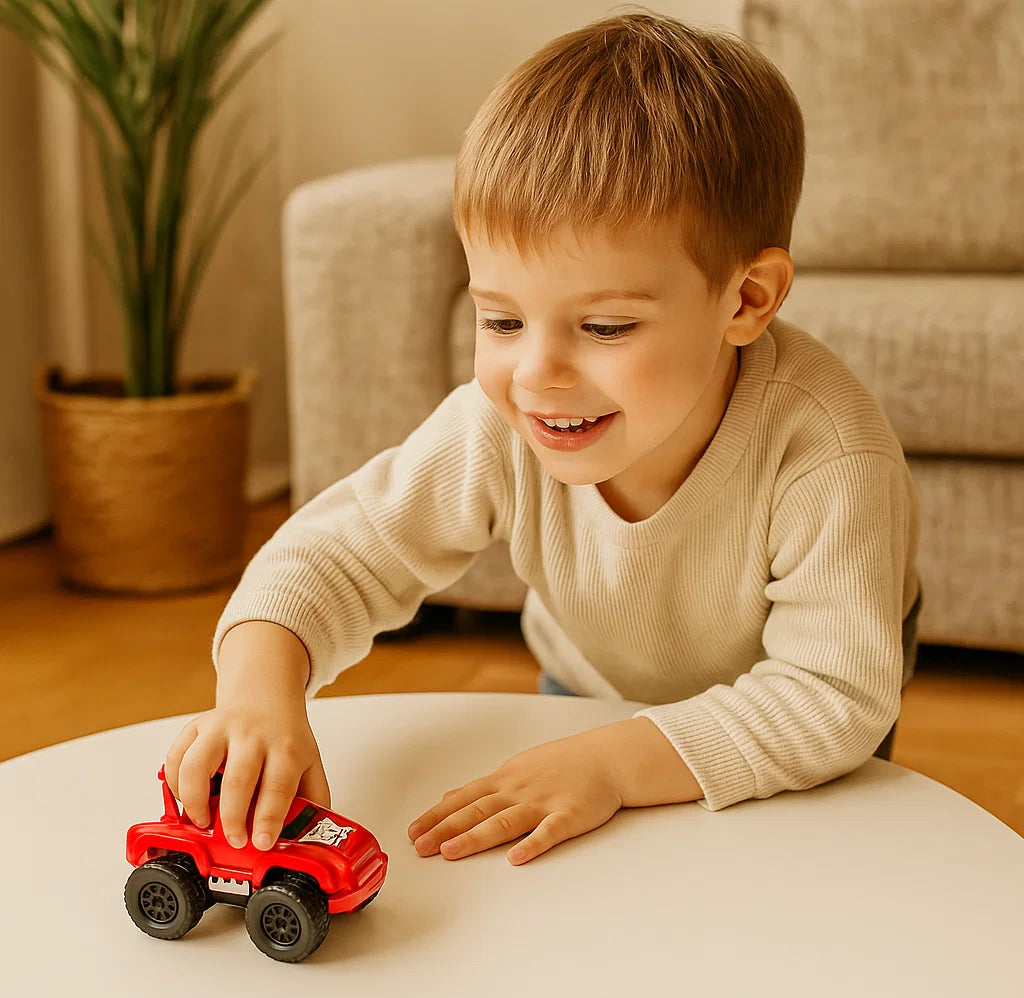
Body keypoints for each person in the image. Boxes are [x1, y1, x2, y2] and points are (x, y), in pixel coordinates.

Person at [165, 9, 920, 867]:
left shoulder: (828, 454)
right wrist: (261, 692)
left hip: (792, 725)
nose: (537, 374)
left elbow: (830, 698)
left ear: (746, 300)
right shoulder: (502, 426)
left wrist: (613, 762)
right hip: (589, 688)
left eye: (603, 326)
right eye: (502, 319)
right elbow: (335, 556)